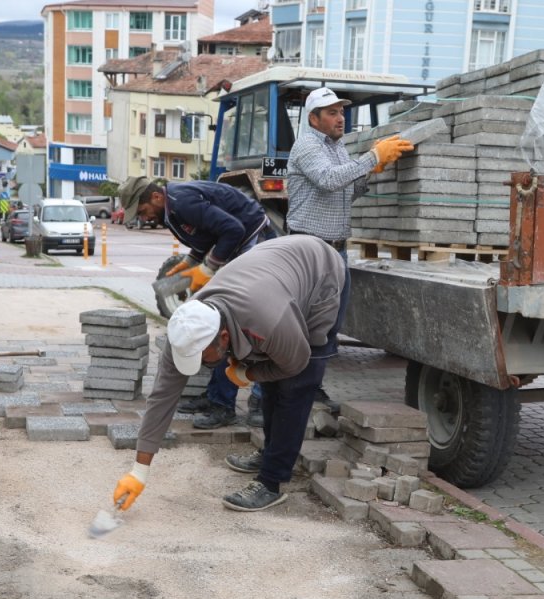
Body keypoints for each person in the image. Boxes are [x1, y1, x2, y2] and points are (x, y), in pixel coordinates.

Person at [111, 235, 346, 512]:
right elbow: (162, 398)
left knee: (293, 386)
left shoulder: (268, 321)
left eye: (201, 357)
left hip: (321, 274)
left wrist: (250, 375)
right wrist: (139, 471)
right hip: (275, 272)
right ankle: (271, 453)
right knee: (271, 380)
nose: (197, 364)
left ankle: (271, 482)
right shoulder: (187, 326)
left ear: (223, 337)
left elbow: (297, 363)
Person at [284, 87, 413, 411]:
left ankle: (311, 388)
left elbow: (345, 192)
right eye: (332, 112)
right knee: (295, 326)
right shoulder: (307, 146)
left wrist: (372, 170)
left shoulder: (338, 149)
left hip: (336, 250)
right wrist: (371, 157)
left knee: (328, 329)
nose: (340, 118)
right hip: (309, 249)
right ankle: (266, 398)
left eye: (342, 112)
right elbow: (328, 180)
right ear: (314, 118)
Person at [116, 176, 274, 429]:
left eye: (143, 211)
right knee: (217, 318)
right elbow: (207, 235)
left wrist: (208, 270)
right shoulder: (173, 209)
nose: (143, 218)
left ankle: (235, 404)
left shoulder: (182, 201)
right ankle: (215, 397)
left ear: (156, 197)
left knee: (234, 323)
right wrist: (190, 263)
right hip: (239, 243)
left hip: (255, 241)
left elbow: (233, 230)